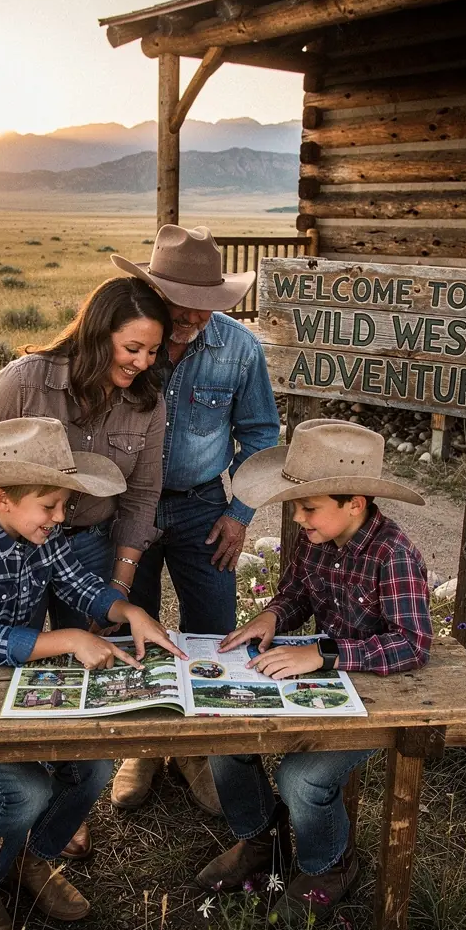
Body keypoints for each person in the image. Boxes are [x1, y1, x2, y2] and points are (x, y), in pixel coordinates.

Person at [0, 416, 185, 930]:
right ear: (3, 498)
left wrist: (127, 609)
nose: (61, 517)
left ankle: (33, 856)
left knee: (94, 764)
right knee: (26, 788)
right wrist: (68, 641)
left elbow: (78, 584)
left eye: (63, 505)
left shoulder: (41, 532)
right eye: (50, 506)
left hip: (13, 677)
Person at [0, 276, 171, 857]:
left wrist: (123, 590)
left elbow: (142, 494)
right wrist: (9, 541)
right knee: (26, 677)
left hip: (88, 545)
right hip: (15, 546)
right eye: (132, 348)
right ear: (94, 333)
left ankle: (59, 811)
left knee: (90, 676)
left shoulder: (147, 398)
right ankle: (30, 810)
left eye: (153, 351)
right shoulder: (19, 384)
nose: (142, 362)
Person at [198, 419, 432, 918]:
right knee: (225, 739)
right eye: (296, 506)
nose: (299, 518)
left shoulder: (394, 554)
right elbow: (298, 593)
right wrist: (271, 614)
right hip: (321, 674)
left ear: (355, 504)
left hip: (378, 691)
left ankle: (330, 862)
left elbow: (413, 644)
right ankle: (264, 840)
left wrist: (327, 656)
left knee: (302, 777)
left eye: (309, 507)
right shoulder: (315, 537)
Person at [108, 225, 280, 814]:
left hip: (204, 505)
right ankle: (144, 748)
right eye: (184, 306)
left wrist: (239, 513)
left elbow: (259, 436)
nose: (195, 319)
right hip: (127, 505)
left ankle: (201, 750)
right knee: (135, 622)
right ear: (152, 291)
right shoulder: (124, 340)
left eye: (208, 307)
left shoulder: (239, 347)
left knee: (215, 628)